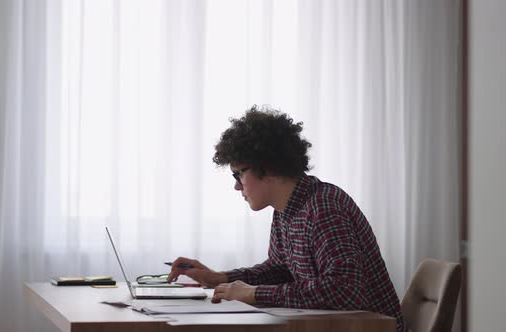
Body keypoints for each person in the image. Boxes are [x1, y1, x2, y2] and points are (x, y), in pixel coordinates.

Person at [167, 105, 405, 332]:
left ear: (267, 167)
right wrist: (222, 278)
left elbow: (344, 290)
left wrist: (253, 293)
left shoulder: (323, 207)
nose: (236, 186)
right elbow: (280, 270)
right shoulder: (285, 211)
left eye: (238, 173)